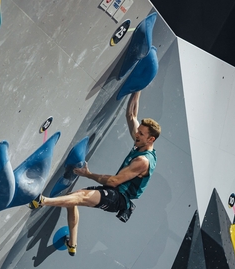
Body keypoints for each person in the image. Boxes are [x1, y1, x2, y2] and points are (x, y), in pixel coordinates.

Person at [29, 91, 160, 256]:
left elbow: (113, 181)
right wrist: (139, 88)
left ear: (151, 139)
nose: (137, 135)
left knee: (81, 197)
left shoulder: (143, 161)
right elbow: (131, 114)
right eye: (138, 131)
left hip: (119, 199)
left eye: (141, 134)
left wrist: (87, 174)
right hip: (115, 190)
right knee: (74, 197)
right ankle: (72, 244)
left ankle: (43, 201)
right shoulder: (141, 143)